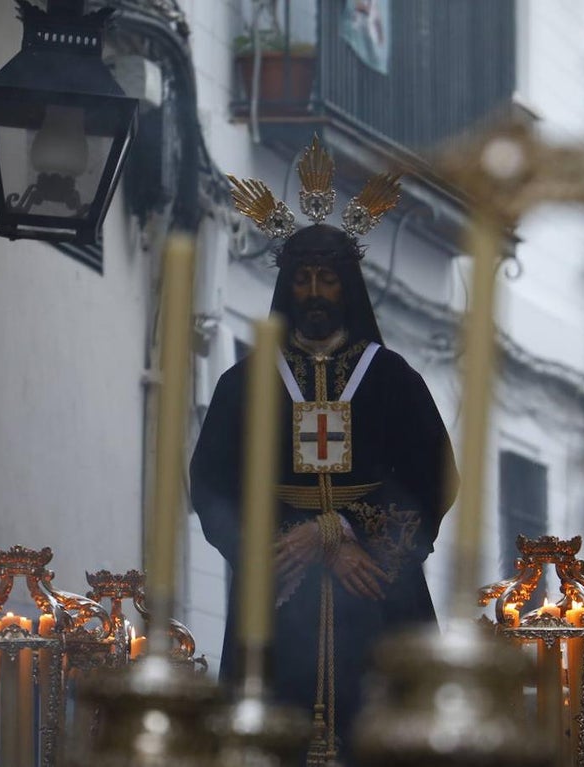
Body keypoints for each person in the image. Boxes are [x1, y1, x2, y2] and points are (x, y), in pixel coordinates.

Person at [190, 139, 457, 765]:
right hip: (279, 591)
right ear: (287, 285)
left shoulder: (393, 379)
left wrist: (348, 534)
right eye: (303, 277)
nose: (314, 290)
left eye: (328, 279)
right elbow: (212, 485)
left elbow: (433, 477)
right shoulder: (246, 383)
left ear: (347, 287)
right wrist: (283, 541)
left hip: (376, 590)